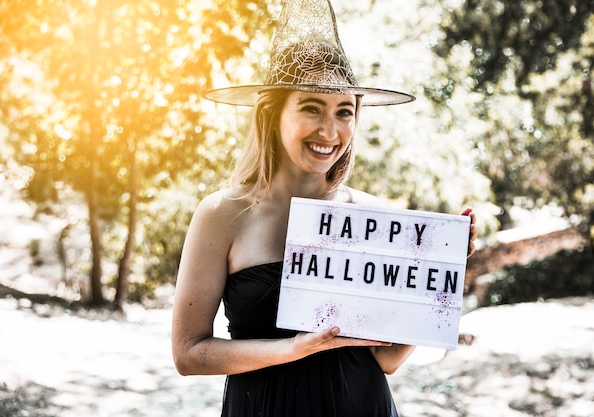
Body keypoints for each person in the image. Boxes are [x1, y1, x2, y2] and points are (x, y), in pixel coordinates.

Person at [171, 1, 477, 416]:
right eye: (312, 108)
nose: (329, 131)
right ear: (272, 113)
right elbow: (188, 354)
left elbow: (386, 360)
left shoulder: (373, 217)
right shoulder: (222, 214)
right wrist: (292, 348)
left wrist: (439, 279)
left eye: (344, 112)